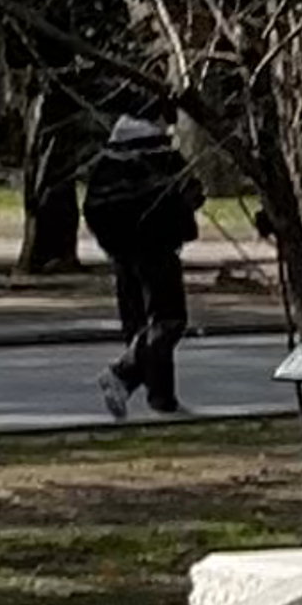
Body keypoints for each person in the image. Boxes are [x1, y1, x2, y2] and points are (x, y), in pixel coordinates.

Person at [83, 101, 205, 419]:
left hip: (122, 252)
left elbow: (94, 206)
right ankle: (122, 374)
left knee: (141, 326)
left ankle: (162, 400)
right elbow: (186, 194)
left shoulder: (108, 158)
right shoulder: (159, 155)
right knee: (169, 321)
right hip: (157, 248)